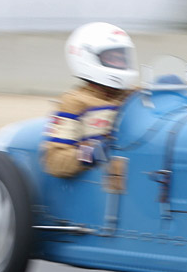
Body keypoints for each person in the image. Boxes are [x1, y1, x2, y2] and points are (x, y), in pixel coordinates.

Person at [42, 22, 139, 178]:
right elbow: (55, 161)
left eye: (123, 58)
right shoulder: (74, 102)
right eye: (113, 58)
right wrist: (91, 154)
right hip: (104, 181)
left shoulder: (135, 94)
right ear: (87, 57)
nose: (120, 63)